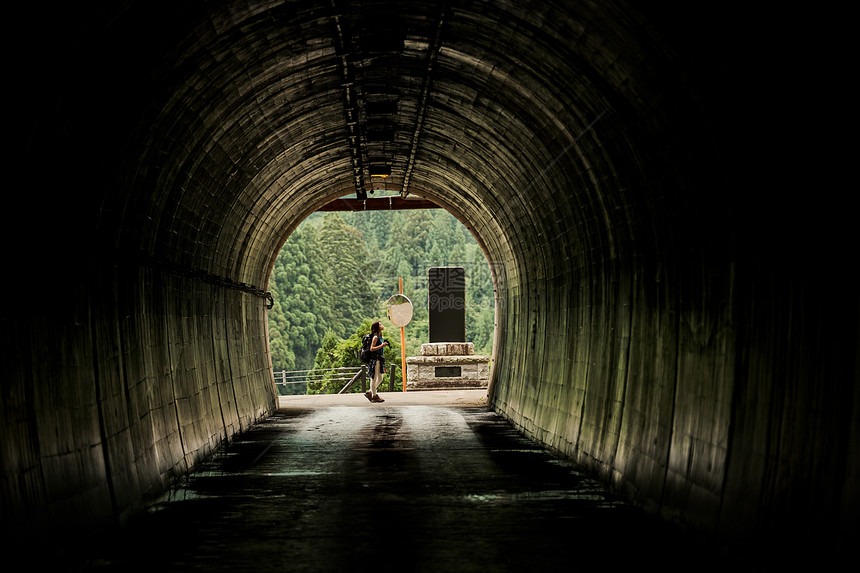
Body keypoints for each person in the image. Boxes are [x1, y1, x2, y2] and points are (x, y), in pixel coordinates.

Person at [365, 321, 388, 403]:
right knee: (374, 378)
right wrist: (382, 345)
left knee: (380, 378)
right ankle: (374, 396)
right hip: (375, 360)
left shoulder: (380, 336)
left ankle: (370, 392)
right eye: (380, 324)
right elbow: (372, 348)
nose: (382, 325)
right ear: (377, 327)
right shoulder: (375, 337)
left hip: (380, 359)